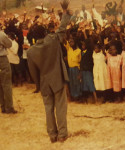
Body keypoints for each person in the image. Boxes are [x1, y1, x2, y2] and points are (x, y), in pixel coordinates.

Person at [27, 0, 71, 143]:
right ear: (45, 33)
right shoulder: (52, 40)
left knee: (48, 109)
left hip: (44, 81)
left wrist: (38, 85)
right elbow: (63, 28)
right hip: (57, 78)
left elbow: (33, 73)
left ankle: (52, 135)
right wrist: (64, 12)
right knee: (60, 107)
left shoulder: (31, 52)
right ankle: (62, 134)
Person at [0, 30, 17, 114]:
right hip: (2, 59)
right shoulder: (1, 34)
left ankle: (3, 106)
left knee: (0, 85)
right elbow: (9, 44)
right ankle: (9, 107)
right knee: (6, 84)